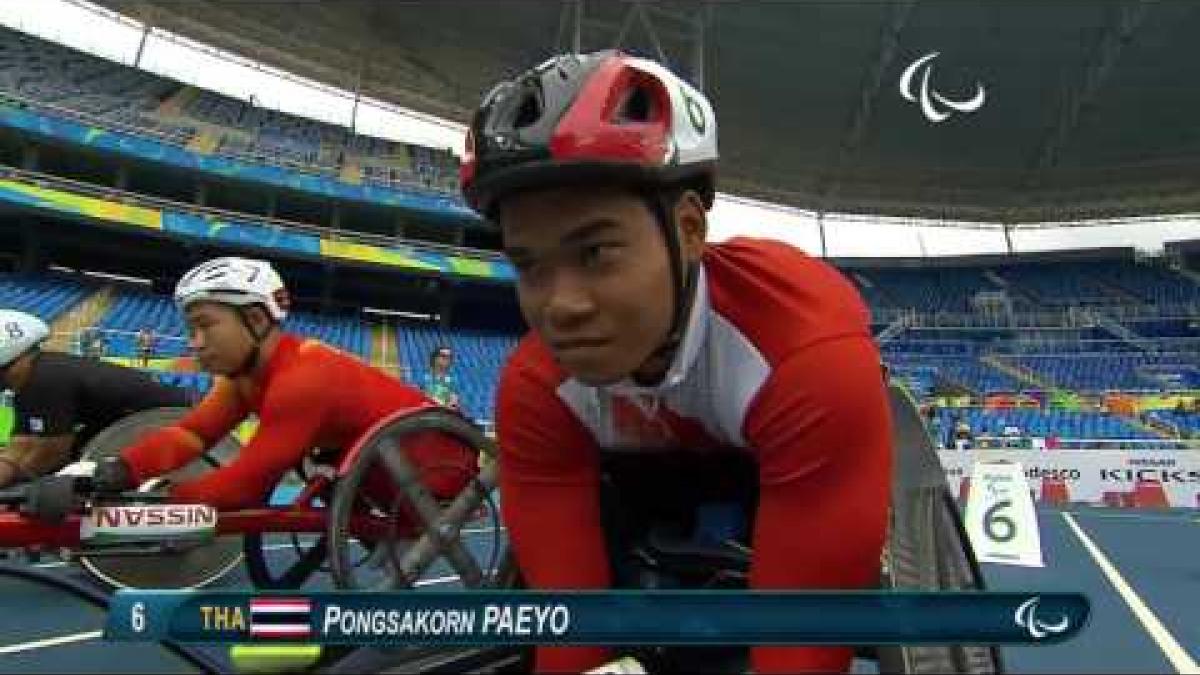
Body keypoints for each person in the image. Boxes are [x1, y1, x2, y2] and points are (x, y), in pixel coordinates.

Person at [462, 51, 892, 673]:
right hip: (657, 481)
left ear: (690, 231)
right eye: (529, 265)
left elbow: (797, 654)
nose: (560, 307)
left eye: (596, 253)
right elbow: (571, 638)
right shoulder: (535, 388)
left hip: (784, 455)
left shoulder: (808, 360)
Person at [88, 257, 477, 513]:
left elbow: (245, 488)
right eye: (190, 330)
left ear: (257, 321)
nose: (195, 343)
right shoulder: (242, 379)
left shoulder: (303, 377)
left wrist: (143, 505)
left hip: (436, 466)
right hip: (381, 466)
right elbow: (190, 435)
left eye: (205, 325)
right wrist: (117, 472)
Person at [0, 310, 190, 489]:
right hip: (142, 428)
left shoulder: (45, 377)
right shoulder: (35, 377)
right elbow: (21, 446)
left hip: (181, 428)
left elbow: (50, 455)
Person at [421, 345, 461, 410]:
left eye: (449, 357)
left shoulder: (452, 380)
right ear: (435, 358)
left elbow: (454, 399)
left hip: (443, 414)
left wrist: (450, 405)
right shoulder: (422, 377)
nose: (447, 358)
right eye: (443, 356)